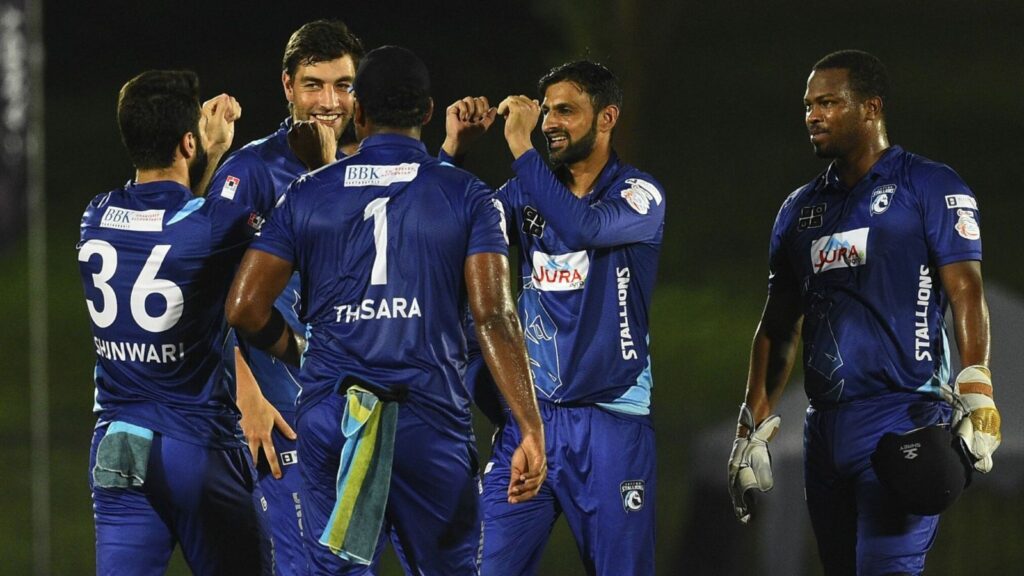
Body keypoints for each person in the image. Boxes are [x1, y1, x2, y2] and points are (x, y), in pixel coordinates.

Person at [225, 45, 547, 575]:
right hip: (429, 423)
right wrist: (529, 425)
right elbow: (493, 316)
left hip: (336, 419)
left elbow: (243, 308)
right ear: (428, 111)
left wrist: (299, 350)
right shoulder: (469, 196)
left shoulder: (307, 192)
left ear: (358, 112)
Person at [727, 50, 1001, 575]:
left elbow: (966, 288)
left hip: (903, 415)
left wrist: (977, 386)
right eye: (809, 105)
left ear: (871, 108)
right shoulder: (798, 211)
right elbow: (778, 324)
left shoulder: (930, 186)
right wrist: (750, 427)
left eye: (828, 103)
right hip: (824, 428)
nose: (813, 115)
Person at [442, 60, 665, 575]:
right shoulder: (524, 193)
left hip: (611, 423)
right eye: (545, 112)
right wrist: (454, 152)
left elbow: (584, 228)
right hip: (532, 426)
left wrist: (520, 147)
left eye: (565, 111)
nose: (549, 124)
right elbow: (449, 234)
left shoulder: (639, 194)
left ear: (607, 118)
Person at [76, 70, 272, 575]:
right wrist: (218, 149)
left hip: (118, 448)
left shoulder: (95, 216)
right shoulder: (217, 225)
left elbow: (176, 225)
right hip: (197, 447)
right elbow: (205, 228)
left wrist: (202, 151)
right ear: (188, 143)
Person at [205, 20, 364, 576]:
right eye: (313, 85)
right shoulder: (250, 172)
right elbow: (200, 290)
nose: (329, 102)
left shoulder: (371, 169)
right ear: (287, 87)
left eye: (342, 85)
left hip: (358, 421)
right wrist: (245, 393)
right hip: (281, 420)